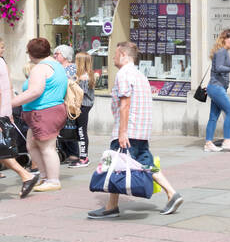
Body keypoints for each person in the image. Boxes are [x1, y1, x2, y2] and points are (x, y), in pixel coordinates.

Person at [87, 41, 183, 218]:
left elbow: (125, 104)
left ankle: (111, 207)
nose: (113, 57)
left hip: (127, 130)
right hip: (141, 130)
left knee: (116, 165)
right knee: (146, 164)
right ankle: (171, 193)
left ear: (124, 55)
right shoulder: (140, 75)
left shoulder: (123, 74)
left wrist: (122, 132)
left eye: (115, 54)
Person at [10, 38, 70, 193]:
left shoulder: (40, 68)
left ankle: (53, 180)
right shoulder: (55, 65)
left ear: (31, 54)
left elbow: (35, 91)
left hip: (44, 112)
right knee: (32, 144)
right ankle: (44, 176)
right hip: (46, 112)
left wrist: (12, 102)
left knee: (47, 147)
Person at [0, 36, 41, 195]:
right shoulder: (3, 63)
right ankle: (26, 175)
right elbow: (7, 88)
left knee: (3, 150)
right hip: (4, 110)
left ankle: (26, 175)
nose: (3, 49)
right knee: (2, 151)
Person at [204, 29, 230, 153]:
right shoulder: (222, 51)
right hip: (217, 88)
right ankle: (227, 141)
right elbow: (219, 68)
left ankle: (208, 143)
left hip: (215, 87)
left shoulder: (220, 51)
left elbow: (218, 68)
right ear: (225, 39)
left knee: (213, 117)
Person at [66, 51, 97, 167]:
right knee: (80, 130)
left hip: (82, 106)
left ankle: (84, 158)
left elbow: (79, 94)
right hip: (85, 105)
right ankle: (82, 156)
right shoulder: (88, 75)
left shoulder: (84, 77)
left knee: (81, 131)